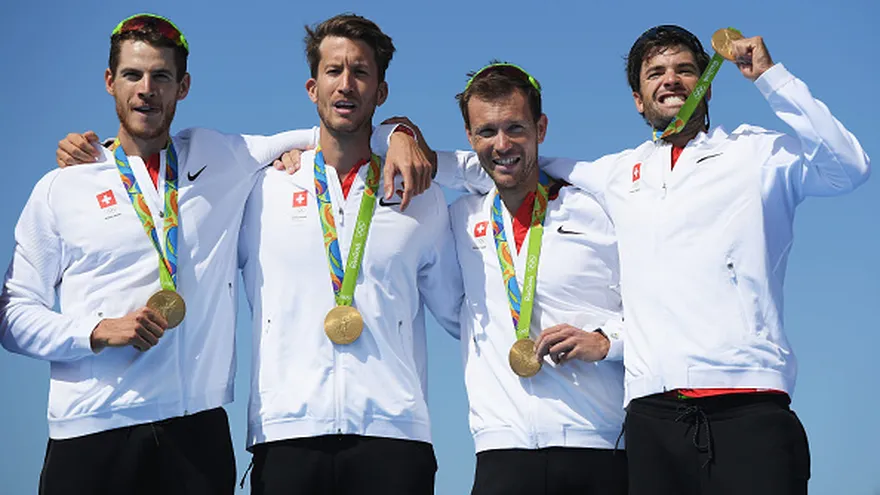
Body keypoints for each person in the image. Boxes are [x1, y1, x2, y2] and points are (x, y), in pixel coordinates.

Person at [395, 25, 870, 495]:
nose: (670, 79)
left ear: (706, 82)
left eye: (685, 69)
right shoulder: (617, 174)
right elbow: (511, 164)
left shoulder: (758, 153)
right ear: (638, 99)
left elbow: (848, 166)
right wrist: (400, 139)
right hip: (651, 418)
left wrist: (770, 76)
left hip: (749, 402)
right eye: (655, 72)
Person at [0, 13, 416, 494]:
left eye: (161, 76)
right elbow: (11, 315)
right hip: (90, 432)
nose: (146, 90)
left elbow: (333, 130)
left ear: (184, 86)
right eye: (133, 75)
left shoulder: (221, 156)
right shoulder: (62, 187)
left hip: (195, 436)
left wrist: (399, 132)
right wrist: (93, 331)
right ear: (110, 82)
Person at [237, 14, 463, 495]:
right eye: (334, 71)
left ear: (380, 93)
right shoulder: (261, 190)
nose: (346, 85)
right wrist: (100, 157)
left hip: (394, 435)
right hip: (286, 433)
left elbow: (463, 313)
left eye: (360, 72)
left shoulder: (420, 194)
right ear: (311, 87)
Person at [447, 62, 627, 495]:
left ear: (540, 128)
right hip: (501, 452)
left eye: (516, 128)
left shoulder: (601, 212)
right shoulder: (457, 219)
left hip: (599, 446)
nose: (502, 144)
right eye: (486, 132)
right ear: (470, 139)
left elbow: (660, 307)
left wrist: (607, 341)